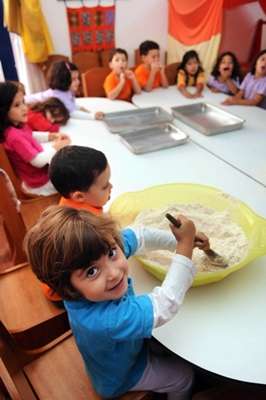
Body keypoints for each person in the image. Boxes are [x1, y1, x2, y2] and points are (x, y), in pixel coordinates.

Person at [25, 205, 209, 399]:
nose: (114, 273)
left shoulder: (94, 253)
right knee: (184, 375)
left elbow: (139, 237)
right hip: (121, 375)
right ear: (68, 289)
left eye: (112, 253)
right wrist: (185, 245)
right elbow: (165, 304)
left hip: (121, 351)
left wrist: (178, 241)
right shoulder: (105, 320)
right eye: (92, 272)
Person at [0, 81, 70, 196]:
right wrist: (57, 147)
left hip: (42, 176)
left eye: (23, 102)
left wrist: (51, 136)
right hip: (40, 184)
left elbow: (30, 135)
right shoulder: (14, 137)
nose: (24, 108)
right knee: (75, 182)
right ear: (3, 111)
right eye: (17, 105)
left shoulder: (18, 126)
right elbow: (38, 162)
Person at [25, 61, 103, 120]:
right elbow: (71, 113)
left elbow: (72, 105)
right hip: (27, 106)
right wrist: (93, 116)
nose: (78, 82)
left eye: (77, 78)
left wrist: (89, 112)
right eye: (74, 79)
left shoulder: (66, 91)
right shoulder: (58, 96)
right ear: (63, 80)